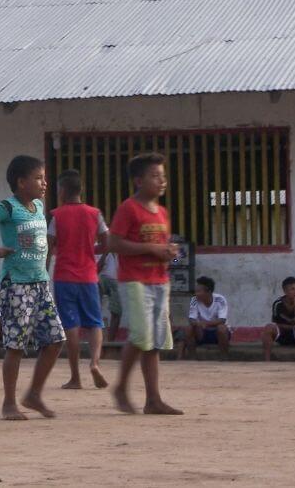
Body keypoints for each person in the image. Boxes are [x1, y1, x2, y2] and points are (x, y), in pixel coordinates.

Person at [0, 154, 65, 420]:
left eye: (44, 178)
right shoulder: (7, 207)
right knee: (16, 345)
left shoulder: (39, 207)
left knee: (55, 340)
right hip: (16, 285)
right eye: (38, 178)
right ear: (21, 182)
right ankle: (9, 403)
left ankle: (33, 395)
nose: (44, 183)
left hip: (40, 284)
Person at [108, 152, 183, 416]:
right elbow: (113, 243)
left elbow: (157, 246)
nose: (161, 181)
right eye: (155, 176)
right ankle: (120, 387)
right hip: (135, 280)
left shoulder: (162, 212)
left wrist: (168, 250)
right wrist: (152, 248)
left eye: (163, 176)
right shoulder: (128, 208)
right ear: (138, 181)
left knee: (155, 343)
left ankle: (153, 399)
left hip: (160, 280)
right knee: (141, 336)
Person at [47, 169, 110, 390]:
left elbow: (49, 246)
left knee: (70, 325)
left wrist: (44, 272)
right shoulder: (95, 214)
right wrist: (93, 252)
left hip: (64, 276)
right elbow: (107, 242)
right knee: (94, 323)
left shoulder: (57, 215)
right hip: (89, 276)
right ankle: (94, 363)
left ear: (62, 191)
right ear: (80, 190)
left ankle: (75, 377)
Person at [179, 276, 230, 360]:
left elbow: (222, 320)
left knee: (222, 328)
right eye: (196, 291)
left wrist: (204, 324)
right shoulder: (194, 300)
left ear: (209, 292)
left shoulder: (220, 299)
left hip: (217, 333)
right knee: (189, 329)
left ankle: (224, 357)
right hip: (201, 332)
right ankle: (192, 358)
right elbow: (191, 319)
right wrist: (198, 325)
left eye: (199, 291)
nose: (196, 294)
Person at [262, 276, 295, 362]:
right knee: (268, 327)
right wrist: (291, 327)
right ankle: (267, 362)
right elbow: (275, 324)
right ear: (285, 291)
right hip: (283, 334)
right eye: (292, 289)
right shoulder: (278, 304)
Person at [98, 253, 123, 342]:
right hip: (101, 279)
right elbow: (96, 270)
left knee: (116, 312)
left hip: (117, 281)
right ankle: (98, 336)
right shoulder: (100, 248)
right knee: (96, 285)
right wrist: (105, 252)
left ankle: (110, 341)